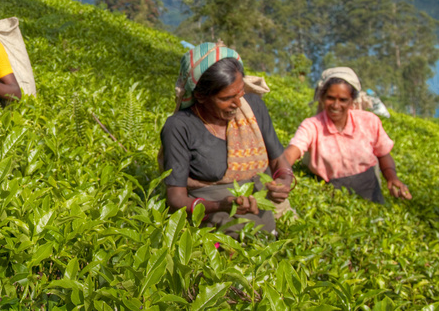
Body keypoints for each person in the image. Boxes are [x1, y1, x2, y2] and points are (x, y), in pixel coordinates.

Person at [159, 42, 294, 237]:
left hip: (262, 209)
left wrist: (284, 181)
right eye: (227, 98)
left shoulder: (253, 106)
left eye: (240, 93)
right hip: (211, 216)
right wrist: (220, 206)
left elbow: (278, 160)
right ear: (201, 96)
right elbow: (176, 198)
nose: (238, 104)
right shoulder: (180, 127)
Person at [283, 67, 411, 203]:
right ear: (322, 98)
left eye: (343, 100)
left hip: (370, 189)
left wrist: (392, 178)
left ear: (352, 101)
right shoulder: (312, 126)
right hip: (331, 193)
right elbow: (292, 152)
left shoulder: (369, 121)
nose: (336, 105)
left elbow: (383, 153)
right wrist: (281, 174)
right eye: (330, 98)